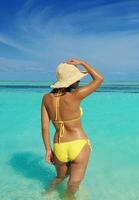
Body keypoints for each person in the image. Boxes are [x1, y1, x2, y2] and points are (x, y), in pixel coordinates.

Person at [41, 58, 104, 199]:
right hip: (78, 144)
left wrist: (47, 150)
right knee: (73, 185)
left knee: (58, 178)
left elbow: (45, 127)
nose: (79, 81)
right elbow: (99, 79)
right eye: (77, 79)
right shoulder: (76, 95)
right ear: (70, 81)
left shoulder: (46, 98)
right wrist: (83, 63)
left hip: (59, 146)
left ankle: (44, 196)